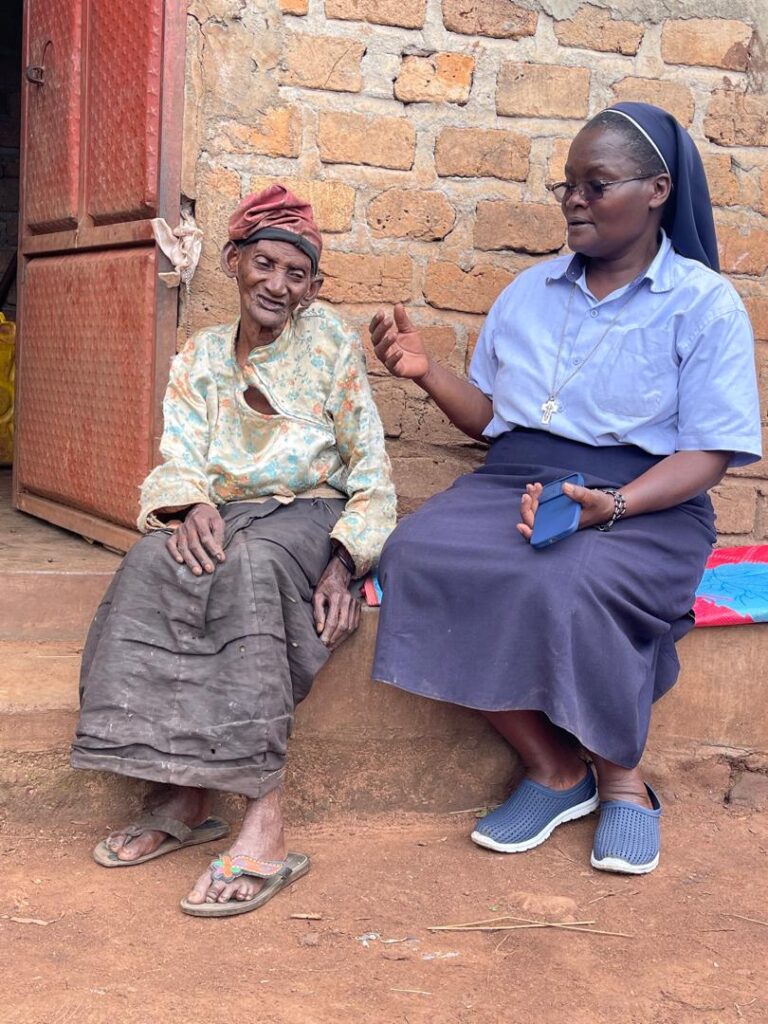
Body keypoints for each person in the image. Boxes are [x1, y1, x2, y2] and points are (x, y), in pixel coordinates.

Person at [369, 103, 761, 875]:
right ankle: (554, 769)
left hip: (650, 501)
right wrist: (426, 372)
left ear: (656, 191)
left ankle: (623, 785)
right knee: (414, 555)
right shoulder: (529, 292)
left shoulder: (702, 304)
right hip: (515, 482)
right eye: (568, 186)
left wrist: (612, 507)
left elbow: (710, 454)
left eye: (597, 184)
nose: (574, 200)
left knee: (574, 579)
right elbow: (491, 421)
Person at [72, 184, 396, 916]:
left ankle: (264, 824)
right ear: (233, 262)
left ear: (313, 288)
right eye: (264, 265)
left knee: (247, 573)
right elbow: (178, 453)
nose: (277, 285)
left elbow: (371, 470)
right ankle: (184, 797)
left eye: (296, 275)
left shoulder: (332, 348)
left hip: (310, 513)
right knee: (154, 562)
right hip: (227, 508)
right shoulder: (200, 358)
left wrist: (348, 561)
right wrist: (186, 506)